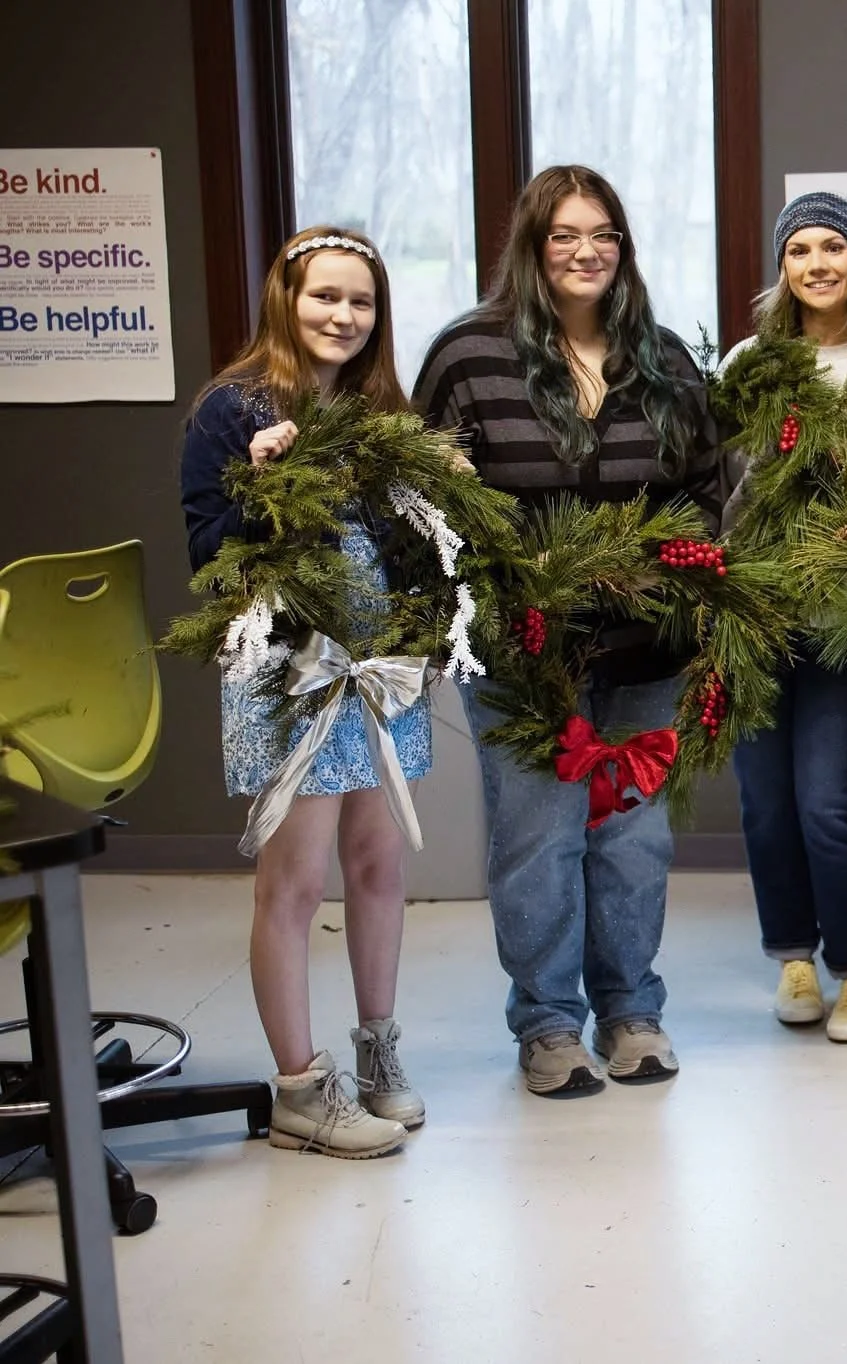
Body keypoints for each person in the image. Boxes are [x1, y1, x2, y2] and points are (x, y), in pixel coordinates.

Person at [413, 165, 722, 1098]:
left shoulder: (664, 359)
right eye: (564, 235)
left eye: (604, 234)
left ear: (622, 249)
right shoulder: (469, 356)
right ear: (532, 248)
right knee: (537, 839)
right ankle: (547, 1024)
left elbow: (703, 493)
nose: (586, 251)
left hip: (643, 649)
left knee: (634, 841)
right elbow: (429, 504)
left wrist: (674, 577)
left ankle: (632, 1008)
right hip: (522, 654)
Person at [182, 225, 426, 1157]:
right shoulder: (231, 409)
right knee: (296, 879)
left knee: (378, 864)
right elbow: (211, 555)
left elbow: (408, 549)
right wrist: (264, 482)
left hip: (377, 673)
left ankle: (378, 1053)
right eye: (326, 296)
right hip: (290, 672)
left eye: (361, 302)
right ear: (286, 298)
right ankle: (299, 1088)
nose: (344, 316)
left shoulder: (377, 410)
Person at [723, 192, 847, 1043]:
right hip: (755, 612)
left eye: (835, 247)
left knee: (830, 801)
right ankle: (794, 957)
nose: (818, 263)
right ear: (782, 266)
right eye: (801, 249)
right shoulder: (749, 362)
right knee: (765, 804)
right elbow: (725, 488)